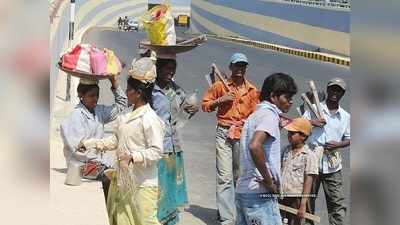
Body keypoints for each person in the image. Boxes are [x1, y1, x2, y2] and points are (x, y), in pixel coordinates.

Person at [80, 57, 165, 225]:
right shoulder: (126, 115)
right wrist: (89, 144)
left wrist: (133, 157)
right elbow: (115, 140)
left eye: (129, 90)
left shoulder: (150, 118)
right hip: (123, 183)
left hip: (142, 185)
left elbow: (156, 151)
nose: (126, 93)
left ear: (139, 93)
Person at [202, 53, 259, 225]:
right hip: (223, 133)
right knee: (224, 177)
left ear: (246, 68)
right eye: (237, 65)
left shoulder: (252, 91)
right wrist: (221, 100)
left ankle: (239, 212)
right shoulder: (220, 86)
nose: (240, 69)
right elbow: (205, 106)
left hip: (242, 134)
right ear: (231, 67)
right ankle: (227, 218)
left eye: (243, 66)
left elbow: (256, 116)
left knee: (240, 177)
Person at [235, 73, 297, 225]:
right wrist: (269, 182)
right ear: (273, 96)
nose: (290, 101)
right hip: (259, 193)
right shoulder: (269, 116)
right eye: (287, 97)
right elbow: (255, 146)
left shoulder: (255, 116)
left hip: (244, 190)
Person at [60, 76, 127, 199]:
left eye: (97, 95)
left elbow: (122, 104)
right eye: (92, 96)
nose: (95, 99)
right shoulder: (76, 116)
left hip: (97, 164)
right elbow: (80, 151)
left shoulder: (99, 110)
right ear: (81, 95)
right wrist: (103, 163)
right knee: (115, 180)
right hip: (81, 167)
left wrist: (114, 82)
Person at [152, 55, 199, 225]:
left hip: (174, 145)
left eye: (173, 69)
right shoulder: (151, 91)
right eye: (167, 68)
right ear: (158, 69)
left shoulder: (176, 90)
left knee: (171, 183)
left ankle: (169, 218)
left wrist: (192, 108)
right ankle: (156, 217)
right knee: (158, 183)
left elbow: (184, 111)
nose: (170, 72)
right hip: (157, 144)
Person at [303, 77, 350, 225]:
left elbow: (350, 138)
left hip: (333, 163)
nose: (335, 92)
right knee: (308, 199)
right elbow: (298, 126)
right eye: (332, 89)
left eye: (339, 90)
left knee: (336, 202)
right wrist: (312, 122)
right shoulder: (315, 109)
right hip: (312, 159)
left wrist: (339, 144)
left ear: (343, 94)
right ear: (328, 89)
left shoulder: (346, 116)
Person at [280, 118, 318, 225]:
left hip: (296, 199)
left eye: (292, 133)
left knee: (294, 222)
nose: (289, 135)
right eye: (288, 132)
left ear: (303, 136)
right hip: (282, 195)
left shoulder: (309, 156)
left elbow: (308, 180)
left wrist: (303, 204)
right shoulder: (286, 150)